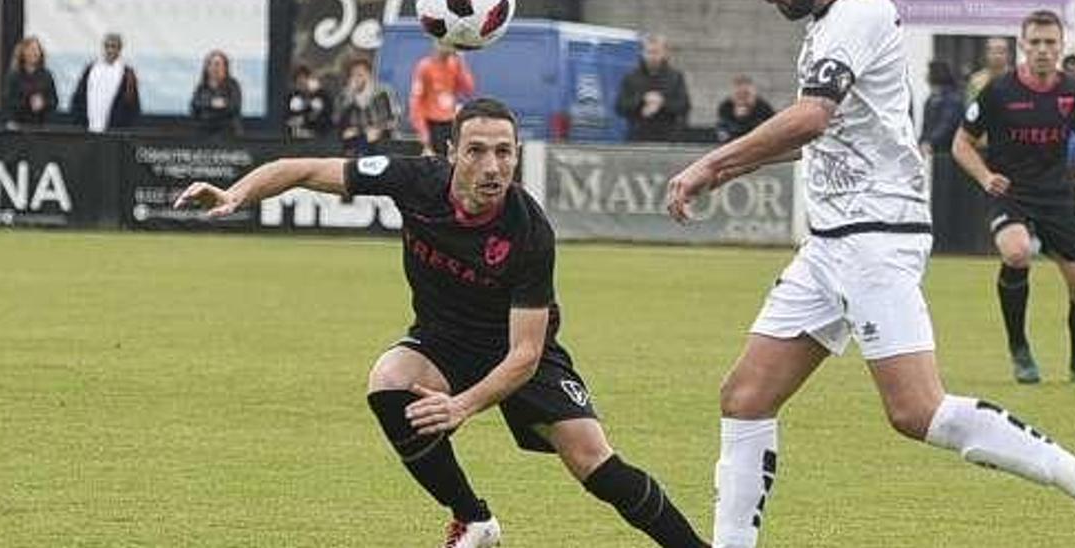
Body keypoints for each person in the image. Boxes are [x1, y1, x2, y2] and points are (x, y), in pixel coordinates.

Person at [665, 3, 1075, 547]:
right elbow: (822, 133)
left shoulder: (859, 11)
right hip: (828, 243)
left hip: (876, 233)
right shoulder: (823, 28)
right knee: (746, 395)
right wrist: (726, 169)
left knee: (916, 409)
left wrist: (712, 162)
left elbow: (813, 116)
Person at [173, 98, 708, 548]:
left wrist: (463, 405)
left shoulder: (529, 231)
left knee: (594, 462)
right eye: (476, 151)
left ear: (517, 156)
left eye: (504, 152)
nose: (492, 166)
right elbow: (304, 169)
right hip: (443, 340)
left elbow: (524, 353)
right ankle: (473, 518)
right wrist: (237, 194)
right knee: (388, 379)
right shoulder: (415, 181)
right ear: (453, 154)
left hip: (521, 352)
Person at [952, 10, 1075, 387]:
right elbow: (962, 143)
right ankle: (1020, 350)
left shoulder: (1073, 93)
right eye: (1035, 42)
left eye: (1050, 42)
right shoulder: (999, 91)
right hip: (1011, 193)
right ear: (1023, 44)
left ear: (1061, 46)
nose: (1043, 49)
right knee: (1017, 251)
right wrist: (985, 175)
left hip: (1055, 198)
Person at [616, 34, 691, 142]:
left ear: (664, 53)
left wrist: (661, 103)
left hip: (668, 138)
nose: (652, 56)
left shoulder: (675, 77)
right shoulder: (631, 77)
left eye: (656, 52)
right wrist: (642, 100)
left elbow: (684, 105)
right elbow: (620, 107)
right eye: (648, 52)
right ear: (642, 53)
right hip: (638, 137)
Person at [410, 42, 475, 158]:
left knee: (452, 160)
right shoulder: (425, 67)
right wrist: (423, 131)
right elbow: (416, 101)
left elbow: (468, 90)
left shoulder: (454, 65)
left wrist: (461, 63)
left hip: (450, 121)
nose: (448, 48)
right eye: (444, 44)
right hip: (432, 123)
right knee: (436, 162)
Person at [70, 33, 141, 133]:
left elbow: (132, 103)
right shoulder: (92, 69)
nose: (110, 50)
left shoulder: (127, 73)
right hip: (89, 128)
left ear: (119, 49)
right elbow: (79, 96)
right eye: (107, 46)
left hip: (115, 130)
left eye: (113, 46)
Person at [334, 54, 400, 155]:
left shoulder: (383, 92)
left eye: (360, 74)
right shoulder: (345, 95)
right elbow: (336, 119)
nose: (356, 78)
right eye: (353, 75)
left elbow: (395, 118)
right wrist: (349, 97)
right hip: (356, 142)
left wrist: (379, 130)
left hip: (381, 141)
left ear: (369, 75)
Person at [3, 36, 58, 130]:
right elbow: (8, 101)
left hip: (40, 126)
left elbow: (54, 100)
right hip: (19, 126)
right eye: (31, 49)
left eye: (37, 49)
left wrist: (44, 103)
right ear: (23, 53)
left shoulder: (46, 75)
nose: (35, 53)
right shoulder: (14, 76)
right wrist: (28, 102)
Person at [190, 50, 243, 138]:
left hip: (227, 133)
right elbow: (195, 105)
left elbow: (234, 107)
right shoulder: (202, 87)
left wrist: (208, 107)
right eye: (210, 64)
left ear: (225, 67)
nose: (214, 68)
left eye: (217, 64)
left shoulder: (233, 85)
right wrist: (212, 103)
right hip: (204, 132)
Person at [919, 61, 964, 156]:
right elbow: (926, 125)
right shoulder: (931, 98)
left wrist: (930, 141)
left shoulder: (952, 98)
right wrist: (922, 141)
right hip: (933, 149)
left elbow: (947, 123)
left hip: (947, 151)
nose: (926, 76)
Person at [716, 75, 775, 143]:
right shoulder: (726, 107)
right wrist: (740, 119)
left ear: (753, 94)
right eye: (738, 95)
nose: (742, 99)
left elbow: (771, 128)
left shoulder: (763, 107)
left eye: (746, 94)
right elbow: (723, 132)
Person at [284, 65, 333, 140]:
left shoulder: (322, 96)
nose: (303, 84)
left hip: (320, 139)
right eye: (299, 82)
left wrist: (306, 119)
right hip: (296, 140)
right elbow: (288, 120)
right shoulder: (291, 98)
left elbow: (325, 118)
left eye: (305, 79)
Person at [966, 37, 1012, 103]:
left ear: (1009, 54)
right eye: (993, 52)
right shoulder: (976, 80)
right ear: (986, 54)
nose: (997, 56)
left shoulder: (1017, 78)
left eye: (1001, 52)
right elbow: (971, 107)